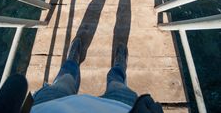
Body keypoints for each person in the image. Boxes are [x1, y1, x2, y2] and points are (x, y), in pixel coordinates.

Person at [31, 37, 163, 113]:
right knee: (117, 83)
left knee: (65, 79)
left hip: (46, 106)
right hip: (121, 108)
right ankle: (119, 65)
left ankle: (72, 60)